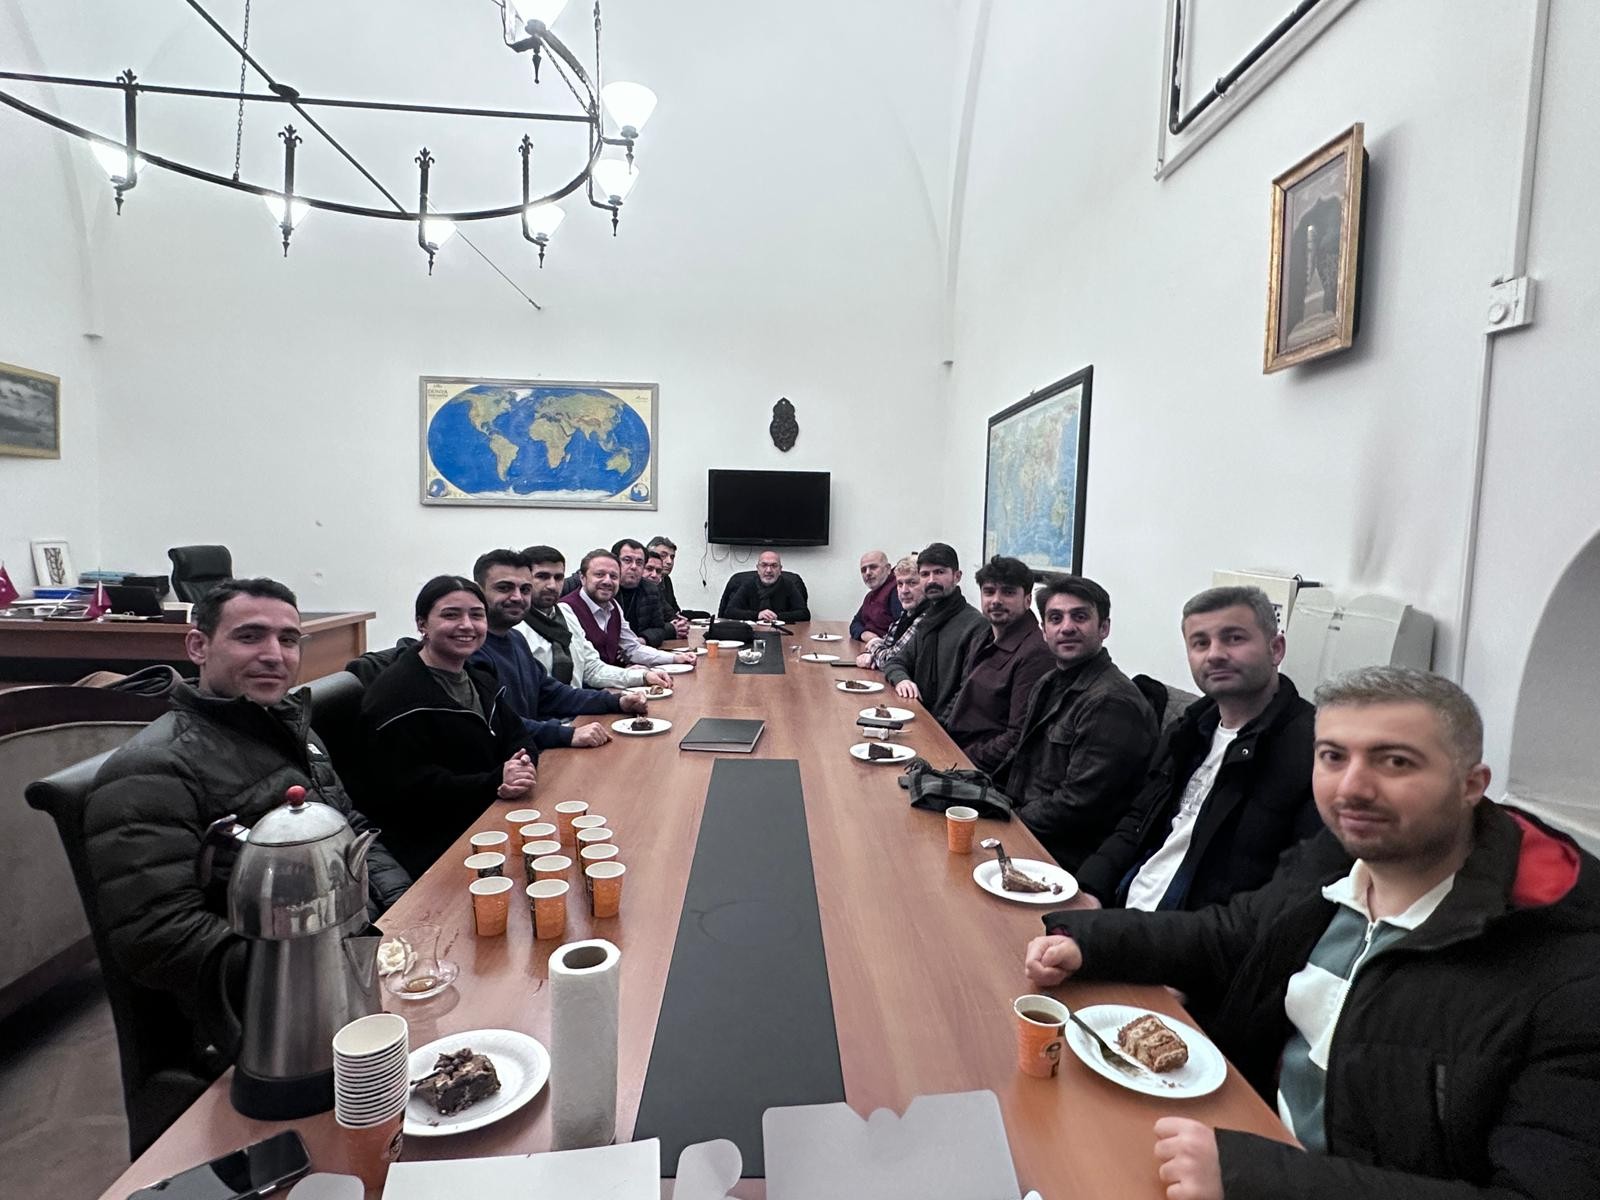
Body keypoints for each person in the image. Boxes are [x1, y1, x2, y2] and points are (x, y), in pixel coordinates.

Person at [1025, 666, 1600, 1200]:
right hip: (1232, 1133)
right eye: (1332, 756)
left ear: (1472, 784)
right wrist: (1087, 942)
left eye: (1395, 761)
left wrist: (1256, 1177)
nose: (1353, 788)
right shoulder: (1337, 859)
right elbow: (1232, 933)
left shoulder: (1566, 968)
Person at [84, 577, 411, 1060]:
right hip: (267, 1022)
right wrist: (329, 967)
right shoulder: (150, 770)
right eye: (249, 636)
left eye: (288, 639)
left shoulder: (292, 729)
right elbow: (159, 938)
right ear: (198, 646)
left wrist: (405, 911)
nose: (274, 655)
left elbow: (353, 831)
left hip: (358, 959)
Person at [1070, 586, 1319, 912]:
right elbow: (1136, 824)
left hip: (1183, 934)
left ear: (1276, 649)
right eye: (1200, 643)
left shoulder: (1313, 752)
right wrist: (1088, 890)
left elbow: (1275, 905)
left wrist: (1115, 932)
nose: (1214, 654)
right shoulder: (1187, 730)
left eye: (1234, 638)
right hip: (1120, 909)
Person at [359, 576, 539, 876]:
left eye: (476, 615)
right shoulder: (396, 697)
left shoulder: (479, 677)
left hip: (491, 817)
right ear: (422, 624)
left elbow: (518, 735)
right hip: (438, 846)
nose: (467, 625)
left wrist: (522, 765)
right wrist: (495, 780)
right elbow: (410, 790)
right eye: (451, 615)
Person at [995, 575, 1157, 869]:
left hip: (1062, 854)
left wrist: (1005, 821)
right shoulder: (1049, 681)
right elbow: (1019, 759)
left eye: (1079, 617)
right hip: (1026, 827)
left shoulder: (1112, 702)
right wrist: (984, 799)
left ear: (1104, 628)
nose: (1067, 627)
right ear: (1044, 631)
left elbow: (1077, 805)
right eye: (1055, 618)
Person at [470, 549, 648, 749]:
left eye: (525, 589)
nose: (517, 597)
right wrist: (566, 734)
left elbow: (552, 693)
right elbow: (496, 722)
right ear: (477, 591)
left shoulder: (515, 639)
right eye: (504, 588)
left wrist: (617, 702)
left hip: (537, 743)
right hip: (515, 754)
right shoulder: (471, 650)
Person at [941, 555, 1056, 774]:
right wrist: (936, 734)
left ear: (1027, 600)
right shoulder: (984, 635)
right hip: (954, 748)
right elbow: (962, 692)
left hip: (983, 770)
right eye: (989, 591)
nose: (996, 600)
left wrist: (958, 761)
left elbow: (1017, 737)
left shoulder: (1036, 653)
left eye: (1008, 592)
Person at [518, 545, 671, 691]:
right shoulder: (515, 629)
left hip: (579, 704)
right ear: (582, 578)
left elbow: (592, 669)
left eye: (558, 577)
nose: (552, 585)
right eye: (542, 577)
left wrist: (643, 676)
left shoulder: (565, 615)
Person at [882, 542, 988, 719]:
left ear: (957, 576)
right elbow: (895, 662)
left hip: (945, 726)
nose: (931, 580)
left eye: (939, 572)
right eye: (925, 574)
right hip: (918, 715)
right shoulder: (928, 621)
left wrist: (937, 726)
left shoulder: (976, 625)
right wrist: (902, 680)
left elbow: (967, 693)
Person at [561, 549, 697, 669]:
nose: (607, 581)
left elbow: (632, 648)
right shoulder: (566, 610)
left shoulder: (613, 606)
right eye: (600, 574)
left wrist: (676, 658)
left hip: (612, 683)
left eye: (613, 576)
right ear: (582, 578)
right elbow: (589, 670)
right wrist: (631, 675)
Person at [856, 554, 922, 669]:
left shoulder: (924, 618)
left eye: (912, 583)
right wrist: (872, 652)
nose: (904, 590)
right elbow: (856, 623)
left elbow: (891, 660)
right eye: (900, 584)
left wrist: (874, 643)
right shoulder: (906, 613)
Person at [722, 550, 811, 623]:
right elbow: (729, 611)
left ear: (780, 570)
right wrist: (757, 615)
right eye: (764, 565)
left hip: (782, 631)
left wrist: (777, 616)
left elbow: (804, 614)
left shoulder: (788, 585)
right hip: (751, 632)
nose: (768, 570)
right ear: (758, 569)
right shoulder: (748, 584)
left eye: (774, 566)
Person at [611, 538, 671, 647]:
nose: (634, 566)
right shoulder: (605, 588)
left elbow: (659, 629)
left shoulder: (651, 590)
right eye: (627, 560)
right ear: (615, 563)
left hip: (638, 648)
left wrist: (643, 640)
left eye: (639, 562)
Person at [849, 549, 902, 642]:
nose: (868, 573)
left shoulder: (897, 591)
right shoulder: (870, 596)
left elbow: (901, 632)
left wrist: (876, 640)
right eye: (863, 570)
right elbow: (855, 623)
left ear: (888, 569)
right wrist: (863, 633)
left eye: (873, 567)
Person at [645, 538, 691, 637]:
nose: (669, 561)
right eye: (663, 556)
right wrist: (672, 627)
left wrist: (679, 621)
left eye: (672, 557)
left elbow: (673, 611)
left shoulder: (666, 580)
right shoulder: (638, 585)